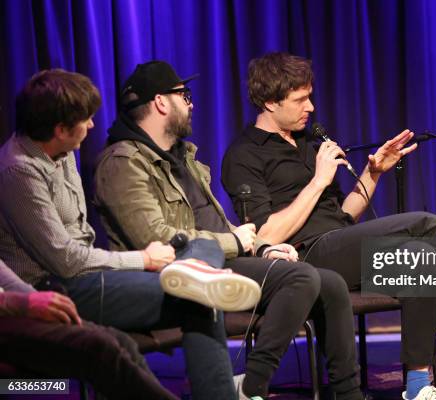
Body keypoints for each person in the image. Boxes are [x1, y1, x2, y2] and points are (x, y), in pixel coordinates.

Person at [221, 52, 436, 400]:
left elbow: (343, 216)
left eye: (310, 96)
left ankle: (418, 386)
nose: (311, 107)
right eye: (300, 99)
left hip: (341, 247)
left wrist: (373, 174)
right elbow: (264, 235)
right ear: (270, 101)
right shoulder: (244, 155)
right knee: (427, 223)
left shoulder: (307, 143)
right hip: (303, 260)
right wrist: (317, 181)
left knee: (423, 257)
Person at [94, 60, 364, 400]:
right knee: (311, 274)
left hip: (228, 258)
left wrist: (263, 246)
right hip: (185, 268)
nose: (191, 104)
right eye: (184, 95)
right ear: (162, 103)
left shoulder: (184, 157)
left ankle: (354, 392)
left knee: (341, 280)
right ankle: (251, 388)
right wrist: (236, 241)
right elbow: (158, 238)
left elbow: (219, 224)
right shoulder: (123, 162)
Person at [0, 69, 249, 399]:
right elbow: (66, 260)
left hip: (89, 275)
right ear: (60, 129)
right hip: (56, 286)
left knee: (201, 270)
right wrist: (142, 260)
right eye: (85, 120)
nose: (91, 126)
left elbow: (81, 240)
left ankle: (195, 269)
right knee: (199, 297)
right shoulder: (19, 169)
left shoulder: (62, 150)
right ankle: (197, 273)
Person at [0, 259, 178, 400]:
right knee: (98, 346)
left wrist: (36, 299)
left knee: (122, 341)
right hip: (9, 312)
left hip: (16, 305)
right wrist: (20, 303)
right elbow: (65, 258)